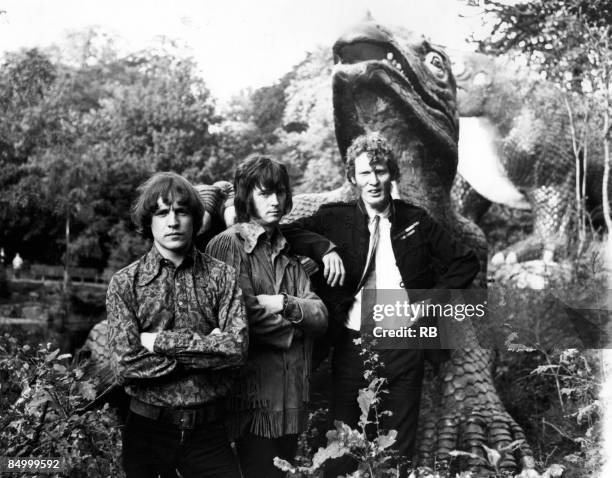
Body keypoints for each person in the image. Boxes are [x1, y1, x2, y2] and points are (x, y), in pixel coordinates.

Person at [281, 133, 480, 475]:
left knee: (399, 448)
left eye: (381, 171)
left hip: (406, 342)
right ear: (352, 178)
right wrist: (324, 248)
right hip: (352, 342)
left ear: (392, 174)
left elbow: (466, 261)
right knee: (344, 445)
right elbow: (287, 232)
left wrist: (429, 302)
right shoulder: (335, 218)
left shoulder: (416, 219)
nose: (373, 181)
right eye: (364, 174)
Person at [106, 172, 248, 478]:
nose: (173, 221)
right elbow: (126, 365)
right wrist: (205, 351)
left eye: (182, 211)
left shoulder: (222, 276)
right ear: (149, 221)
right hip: (147, 430)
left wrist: (157, 342)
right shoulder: (125, 283)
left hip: (208, 433)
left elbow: (235, 350)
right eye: (162, 212)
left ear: (195, 219)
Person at [206, 154, 329, 478]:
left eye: (280, 193)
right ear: (247, 196)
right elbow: (240, 317)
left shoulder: (288, 252)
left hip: (291, 402)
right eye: (264, 193)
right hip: (253, 402)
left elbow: (320, 316)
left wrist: (283, 303)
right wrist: (296, 328)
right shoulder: (228, 245)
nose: (274, 201)